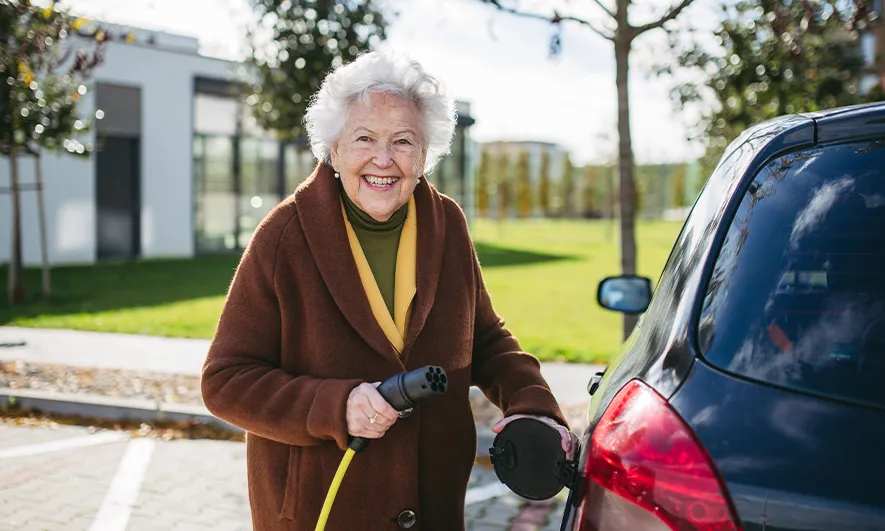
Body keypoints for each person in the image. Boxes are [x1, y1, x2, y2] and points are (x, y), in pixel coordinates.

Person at [200, 50, 574, 531]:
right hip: (323, 511)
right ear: (334, 149)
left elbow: (486, 339)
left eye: (403, 141)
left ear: (425, 154)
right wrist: (337, 407)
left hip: (432, 506)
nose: (383, 159)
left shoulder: (447, 225)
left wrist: (536, 407)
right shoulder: (284, 236)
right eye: (364, 138)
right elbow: (226, 382)